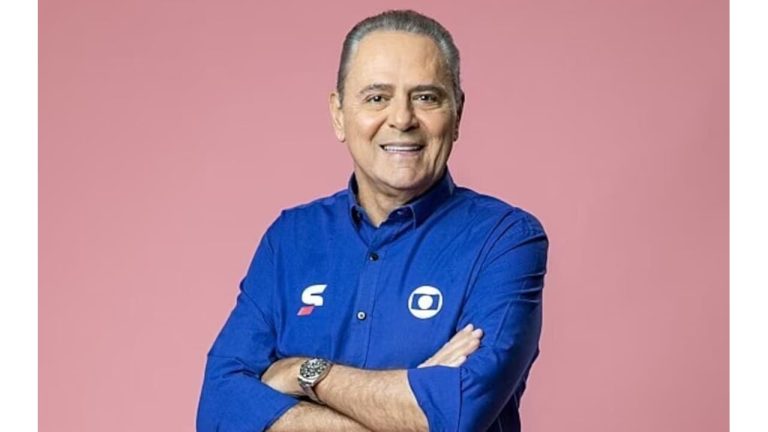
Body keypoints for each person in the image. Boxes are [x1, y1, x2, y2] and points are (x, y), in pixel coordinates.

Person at [196, 9, 548, 432]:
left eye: (426, 97)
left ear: (457, 113)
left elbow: (456, 414)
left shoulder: (505, 240)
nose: (402, 119)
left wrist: (303, 374)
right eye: (377, 97)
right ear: (338, 114)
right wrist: (407, 404)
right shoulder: (290, 239)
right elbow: (219, 409)